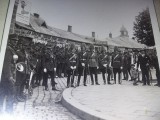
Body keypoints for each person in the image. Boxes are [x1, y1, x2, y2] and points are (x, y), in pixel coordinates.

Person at [0, 37, 18, 114]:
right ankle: (9, 110)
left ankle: (3, 110)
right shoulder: (8, 50)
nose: (16, 42)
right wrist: (9, 76)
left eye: (16, 41)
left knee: (3, 92)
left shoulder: (11, 49)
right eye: (14, 40)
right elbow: (6, 64)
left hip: (6, 75)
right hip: (6, 76)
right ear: (10, 40)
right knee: (10, 92)